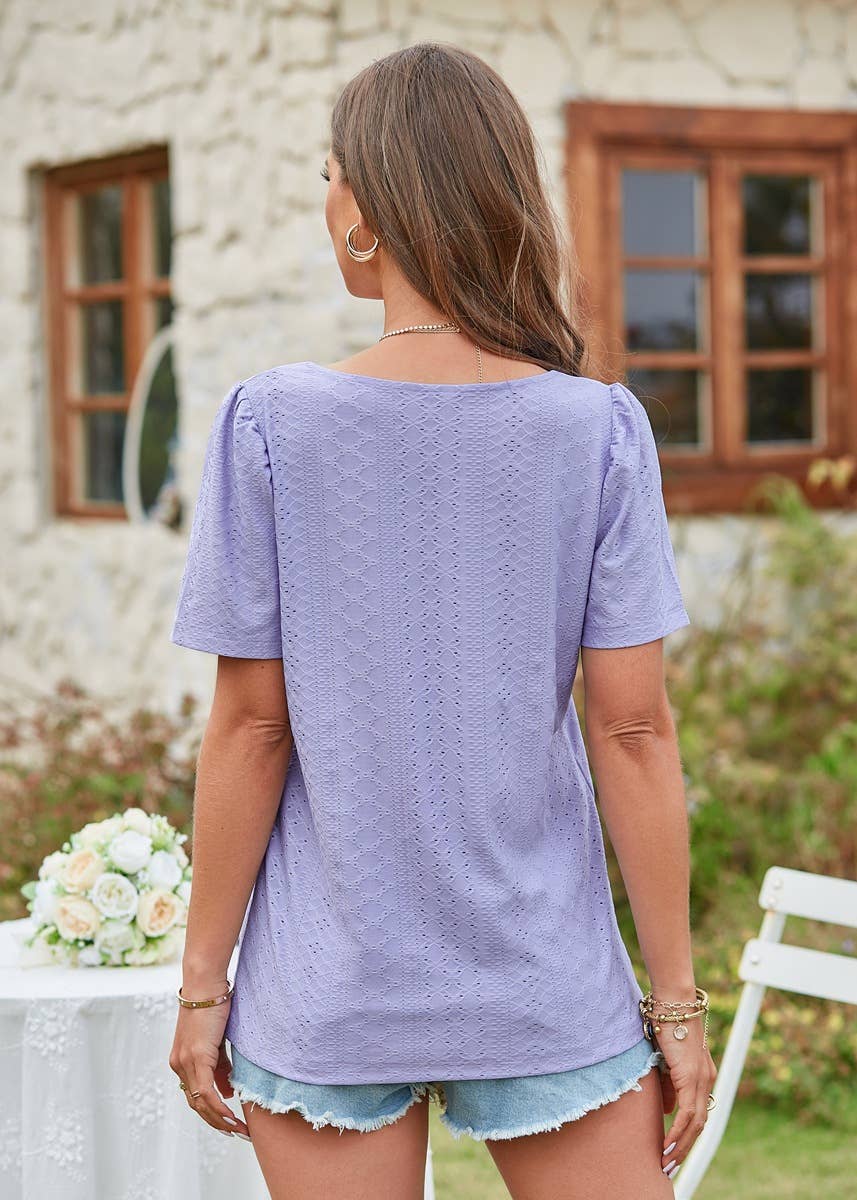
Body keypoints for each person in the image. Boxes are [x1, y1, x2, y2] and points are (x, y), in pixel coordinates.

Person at [168, 40, 717, 1200]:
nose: (324, 205)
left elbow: (250, 728)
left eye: (327, 178)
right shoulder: (598, 431)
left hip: (329, 982)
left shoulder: (268, 424)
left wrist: (203, 985)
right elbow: (631, 731)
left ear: (366, 214)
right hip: (542, 977)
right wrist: (674, 1005)